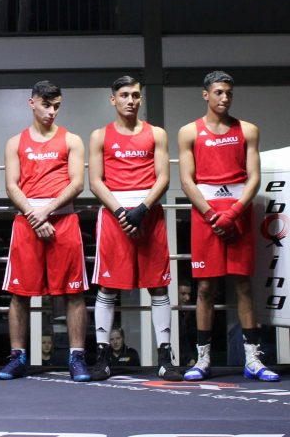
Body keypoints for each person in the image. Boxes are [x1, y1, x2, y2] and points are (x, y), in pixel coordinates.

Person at [178, 70, 279, 382]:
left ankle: (253, 359)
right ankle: (203, 358)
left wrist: (234, 212)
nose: (224, 98)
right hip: (205, 213)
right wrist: (211, 214)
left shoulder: (248, 130)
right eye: (219, 92)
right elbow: (186, 180)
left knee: (243, 285)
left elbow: (254, 177)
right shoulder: (188, 132)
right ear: (206, 94)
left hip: (238, 213)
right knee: (205, 287)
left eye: (229, 93)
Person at [88, 75, 182, 382]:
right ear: (113, 100)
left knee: (157, 285)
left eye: (136, 95)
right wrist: (120, 212)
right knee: (107, 286)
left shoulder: (156, 133)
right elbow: (96, 180)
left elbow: (163, 177)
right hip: (114, 215)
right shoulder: (100, 135)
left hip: (148, 212)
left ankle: (165, 357)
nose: (132, 100)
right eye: (125, 95)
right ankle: (102, 356)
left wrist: (142, 210)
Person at [0, 81, 90, 381]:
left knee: (73, 293)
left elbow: (77, 183)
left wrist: (45, 212)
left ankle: (76, 358)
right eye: (46, 105)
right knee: (19, 293)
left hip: (62, 221)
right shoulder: (15, 143)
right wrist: (35, 216)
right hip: (28, 223)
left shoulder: (72, 140)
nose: (52, 112)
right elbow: (11, 185)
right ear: (32, 103)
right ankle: (17, 357)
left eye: (57, 106)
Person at [178, 280, 197, 367]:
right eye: (183, 294)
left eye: (189, 294)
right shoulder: (173, 316)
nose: (187, 298)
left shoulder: (193, 313)